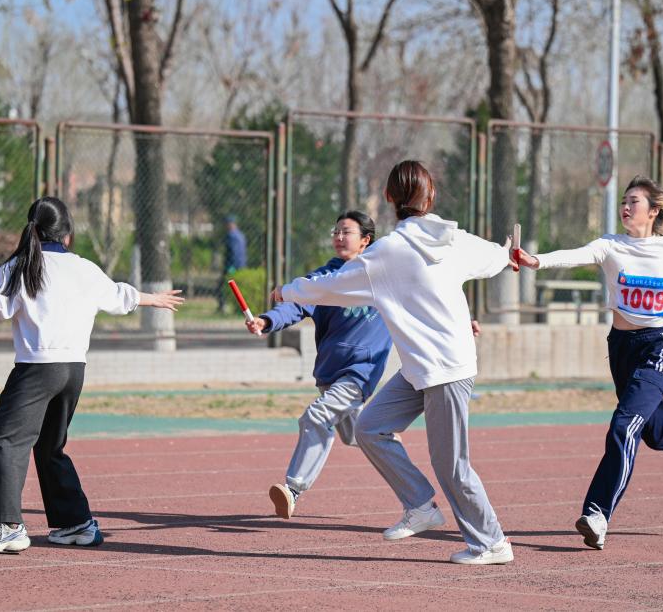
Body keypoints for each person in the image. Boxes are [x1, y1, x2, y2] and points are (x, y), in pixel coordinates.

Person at [273, 160, 518, 566]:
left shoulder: (385, 253)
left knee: (452, 465)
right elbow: (495, 256)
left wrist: (288, 290)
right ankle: (420, 505)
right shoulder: (453, 240)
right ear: (431, 195)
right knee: (370, 427)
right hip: (420, 368)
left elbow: (330, 287)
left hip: (447, 371)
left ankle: (492, 542)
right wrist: (509, 254)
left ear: (389, 197)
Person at [514, 176, 663, 551]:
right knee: (657, 432)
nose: (626, 208)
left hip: (656, 347)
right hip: (621, 348)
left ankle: (597, 514)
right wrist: (536, 261)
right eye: (624, 202)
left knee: (624, 426)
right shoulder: (610, 246)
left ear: (654, 210)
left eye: (634, 201)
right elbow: (574, 254)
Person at [0, 197, 183, 554]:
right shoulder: (85, 268)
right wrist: (153, 298)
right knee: (49, 446)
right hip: (74, 370)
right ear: (67, 235)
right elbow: (118, 296)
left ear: (32, 230)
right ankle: (77, 523)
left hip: (38, 367)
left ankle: (9, 528)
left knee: (4, 441)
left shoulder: (21, 265)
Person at [247, 211, 392, 519]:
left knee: (316, 417)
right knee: (363, 435)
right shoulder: (326, 278)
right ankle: (392, 447)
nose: (339, 237)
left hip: (360, 372)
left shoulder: (385, 276)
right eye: (336, 231)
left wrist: (461, 323)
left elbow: (425, 302)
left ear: (366, 240)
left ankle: (293, 490)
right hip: (330, 372)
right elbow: (295, 305)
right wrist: (267, 320)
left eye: (346, 232)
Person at [218, 215, 247, 313]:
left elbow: (234, 252)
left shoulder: (231, 236)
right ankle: (239, 308)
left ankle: (223, 306)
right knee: (239, 288)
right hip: (241, 265)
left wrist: (231, 267)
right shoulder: (241, 235)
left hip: (232, 266)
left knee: (222, 286)